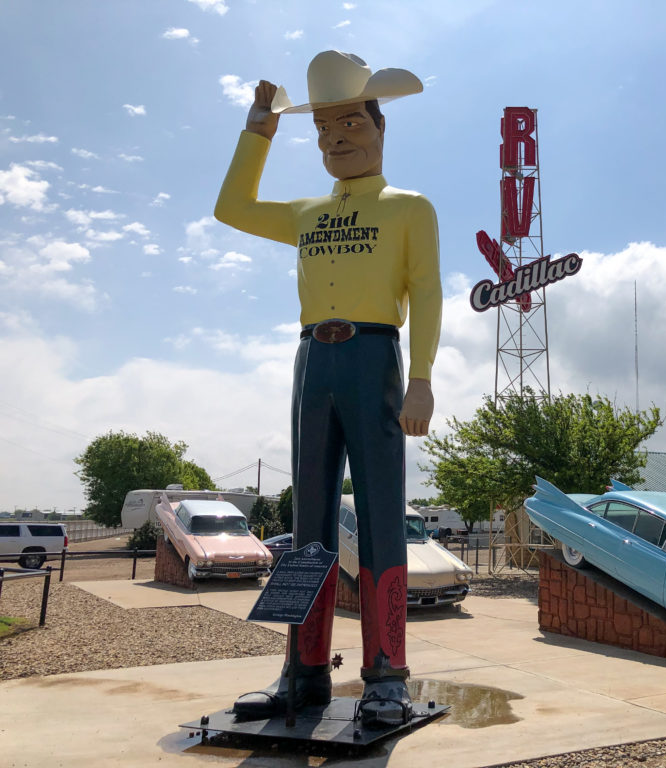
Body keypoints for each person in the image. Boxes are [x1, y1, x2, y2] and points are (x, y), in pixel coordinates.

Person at [214, 50, 442, 727]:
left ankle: (387, 675)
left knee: (380, 516)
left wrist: (422, 380)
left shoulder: (410, 207)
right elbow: (231, 208)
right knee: (309, 518)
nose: (335, 139)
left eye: (350, 124)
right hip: (313, 360)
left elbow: (427, 291)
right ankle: (303, 670)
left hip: (375, 357)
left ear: (379, 127)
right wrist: (258, 131)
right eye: (321, 129)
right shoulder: (307, 211)